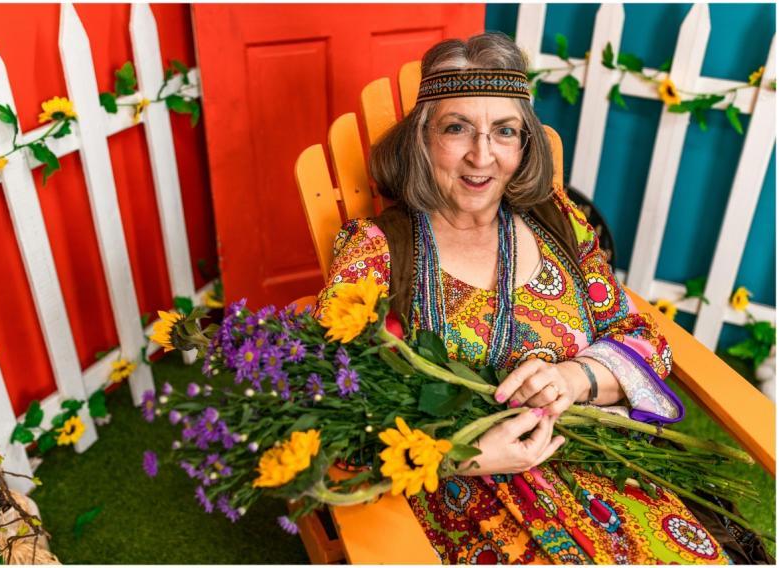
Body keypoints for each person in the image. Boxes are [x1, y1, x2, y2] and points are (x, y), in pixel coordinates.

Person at [314, 33, 755, 564]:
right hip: (464, 495)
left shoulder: (559, 223)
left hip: (604, 465)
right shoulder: (379, 250)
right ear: (421, 138)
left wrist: (576, 377)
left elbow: (642, 339)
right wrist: (465, 455)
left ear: (525, 144)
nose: (483, 155)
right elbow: (331, 402)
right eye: (456, 129)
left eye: (504, 131)